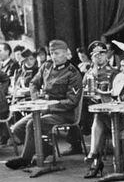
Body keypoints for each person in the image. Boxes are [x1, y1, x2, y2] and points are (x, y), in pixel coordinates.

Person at [5, 40, 83, 169]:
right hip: (43, 109)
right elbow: (33, 83)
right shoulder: (46, 67)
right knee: (17, 128)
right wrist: (36, 99)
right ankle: (45, 148)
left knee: (32, 124)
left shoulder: (73, 73)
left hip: (64, 113)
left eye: (57, 53)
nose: (54, 56)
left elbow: (72, 102)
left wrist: (49, 106)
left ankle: (25, 159)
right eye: (51, 53)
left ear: (66, 53)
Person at [63, 41, 119, 156]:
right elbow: (82, 88)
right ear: (92, 57)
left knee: (85, 111)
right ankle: (76, 145)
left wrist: (100, 94)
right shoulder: (89, 73)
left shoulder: (114, 72)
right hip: (89, 104)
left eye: (101, 54)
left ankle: (96, 150)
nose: (98, 57)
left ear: (107, 55)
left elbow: (116, 93)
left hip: (105, 105)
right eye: (95, 55)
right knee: (76, 108)